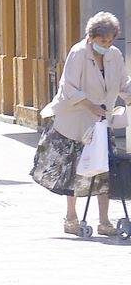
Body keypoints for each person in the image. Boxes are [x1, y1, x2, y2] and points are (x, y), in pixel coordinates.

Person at [33, 12, 131, 236]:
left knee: (104, 169)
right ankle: (71, 217)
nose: (106, 45)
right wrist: (91, 106)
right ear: (91, 37)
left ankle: (104, 222)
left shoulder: (114, 55)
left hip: (101, 121)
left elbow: (124, 84)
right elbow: (68, 87)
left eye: (109, 40)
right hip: (76, 120)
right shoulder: (78, 53)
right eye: (102, 41)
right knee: (76, 169)